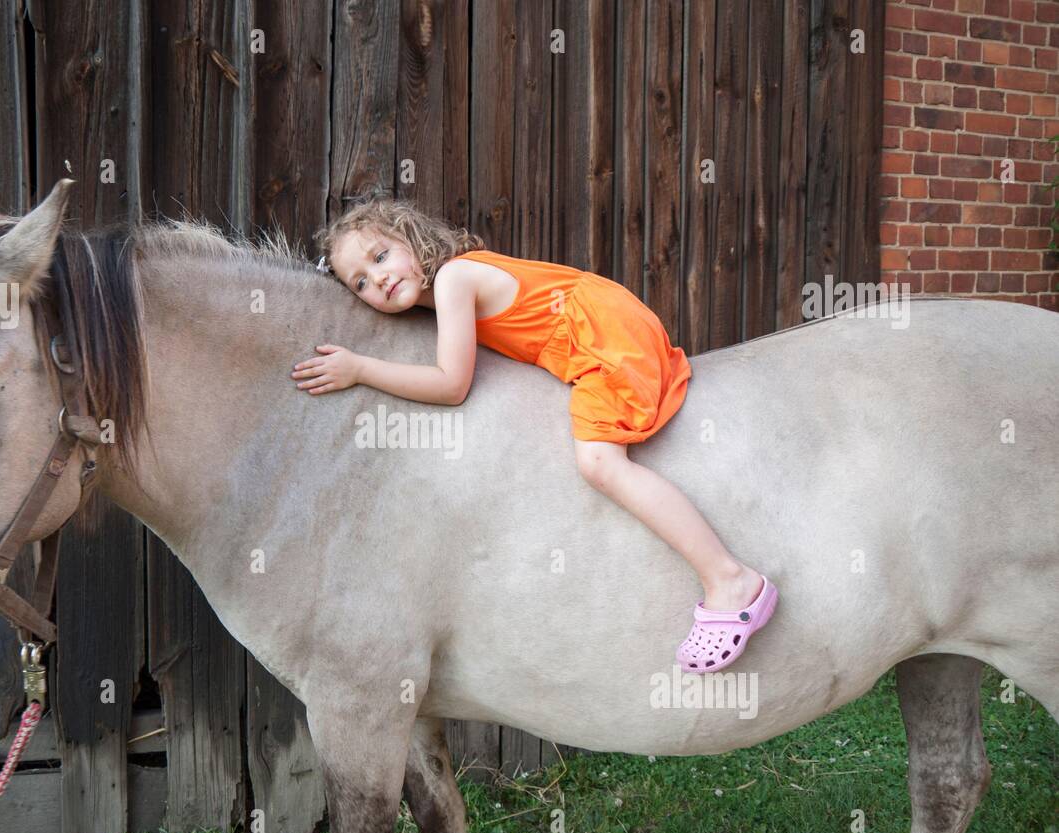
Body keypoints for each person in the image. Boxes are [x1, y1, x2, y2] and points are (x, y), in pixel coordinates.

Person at [295, 197, 777, 672]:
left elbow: (451, 385)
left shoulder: (453, 280)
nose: (377, 278)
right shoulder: (445, 289)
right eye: (361, 282)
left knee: (599, 463)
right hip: (602, 319)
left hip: (602, 334)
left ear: (414, 239)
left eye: (381, 256)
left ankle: (729, 579)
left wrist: (359, 368)